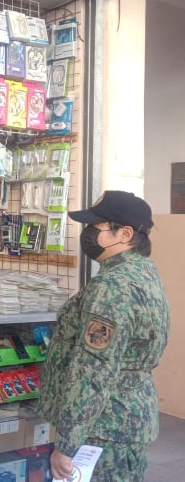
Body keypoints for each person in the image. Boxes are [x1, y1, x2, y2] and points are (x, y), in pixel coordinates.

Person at [39, 190, 170, 482]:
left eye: (95, 227)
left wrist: (68, 444)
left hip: (104, 427)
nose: (87, 233)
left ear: (124, 233)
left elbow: (93, 371)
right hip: (127, 419)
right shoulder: (144, 273)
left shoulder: (113, 288)